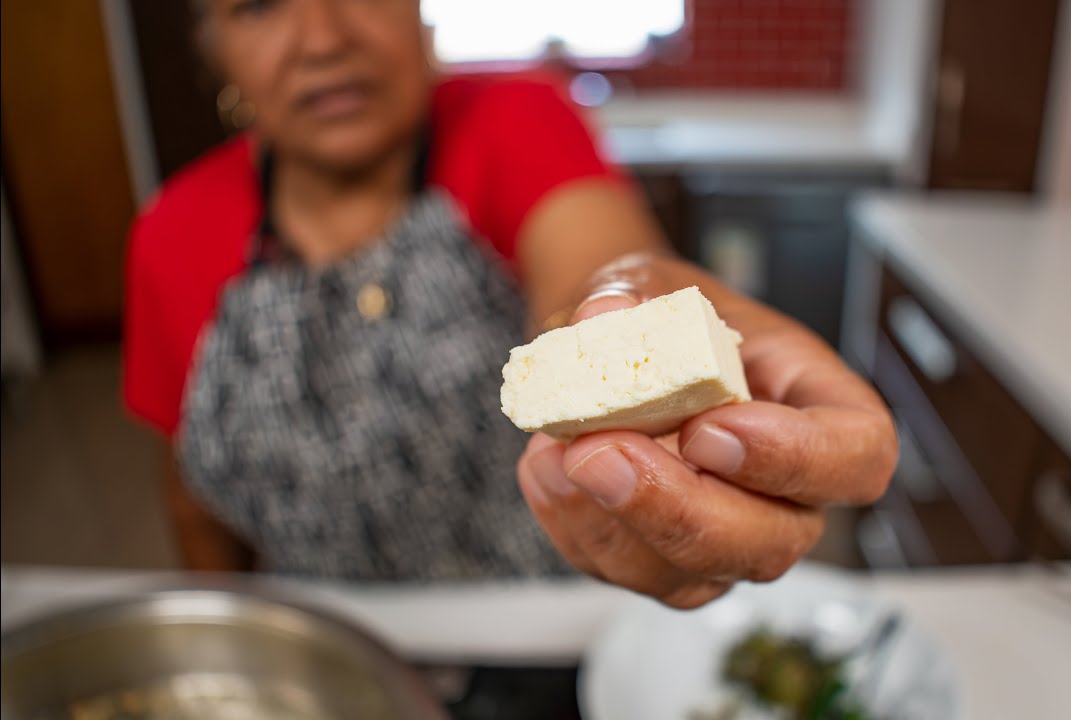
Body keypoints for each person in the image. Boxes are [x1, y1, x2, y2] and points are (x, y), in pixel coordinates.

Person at [123, 0, 897, 608]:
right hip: (325, 646)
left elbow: (593, 262)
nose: (324, 38)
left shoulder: (514, 117)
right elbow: (193, 500)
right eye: (259, 3)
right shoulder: (171, 231)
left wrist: (623, 301)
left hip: (538, 623)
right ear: (213, 47)